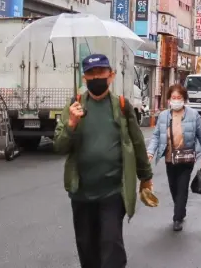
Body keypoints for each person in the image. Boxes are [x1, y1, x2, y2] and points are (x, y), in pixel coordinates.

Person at [54, 54, 153, 268]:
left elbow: (137, 143)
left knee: (111, 245)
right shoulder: (74, 106)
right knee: (87, 248)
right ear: (84, 78)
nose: (96, 77)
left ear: (111, 75)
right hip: (81, 192)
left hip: (113, 192)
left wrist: (146, 177)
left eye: (101, 72)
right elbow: (59, 147)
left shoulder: (122, 106)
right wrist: (71, 124)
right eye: (91, 73)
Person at [146, 84, 201, 232]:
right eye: (173, 98)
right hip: (170, 158)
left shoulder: (193, 115)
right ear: (169, 99)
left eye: (179, 98)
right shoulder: (163, 116)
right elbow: (156, 136)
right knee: (173, 187)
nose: (176, 100)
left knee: (182, 187)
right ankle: (180, 209)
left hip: (186, 158)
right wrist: (150, 152)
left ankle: (177, 218)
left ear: (184, 99)